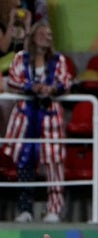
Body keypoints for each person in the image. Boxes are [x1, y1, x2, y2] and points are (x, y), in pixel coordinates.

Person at [3, 19, 72, 224]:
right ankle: (25, 210)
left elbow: (65, 81)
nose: (47, 37)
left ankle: (54, 209)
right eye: (43, 33)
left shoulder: (58, 60)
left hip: (50, 116)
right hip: (25, 117)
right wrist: (31, 87)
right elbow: (12, 81)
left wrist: (51, 89)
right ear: (33, 37)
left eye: (50, 35)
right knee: (24, 162)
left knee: (54, 162)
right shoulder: (20, 58)